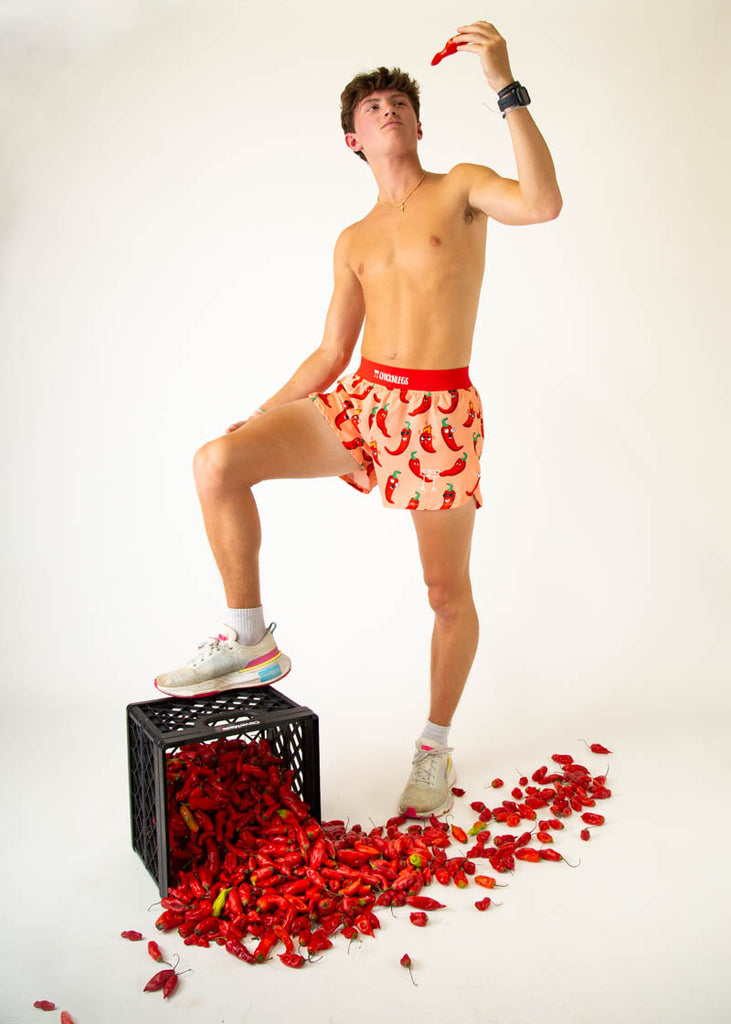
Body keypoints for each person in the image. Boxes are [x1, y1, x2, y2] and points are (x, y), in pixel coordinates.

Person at [154, 21, 562, 817]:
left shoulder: (462, 187)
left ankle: (432, 748)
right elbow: (330, 350)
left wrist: (503, 84)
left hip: (438, 415)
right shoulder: (352, 238)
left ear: (418, 124)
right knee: (217, 462)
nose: (388, 110)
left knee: (445, 593)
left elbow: (542, 203)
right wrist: (263, 414)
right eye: (373, 104)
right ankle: (250, 641)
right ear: (353, 138)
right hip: (364, 402)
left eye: (400, 102)